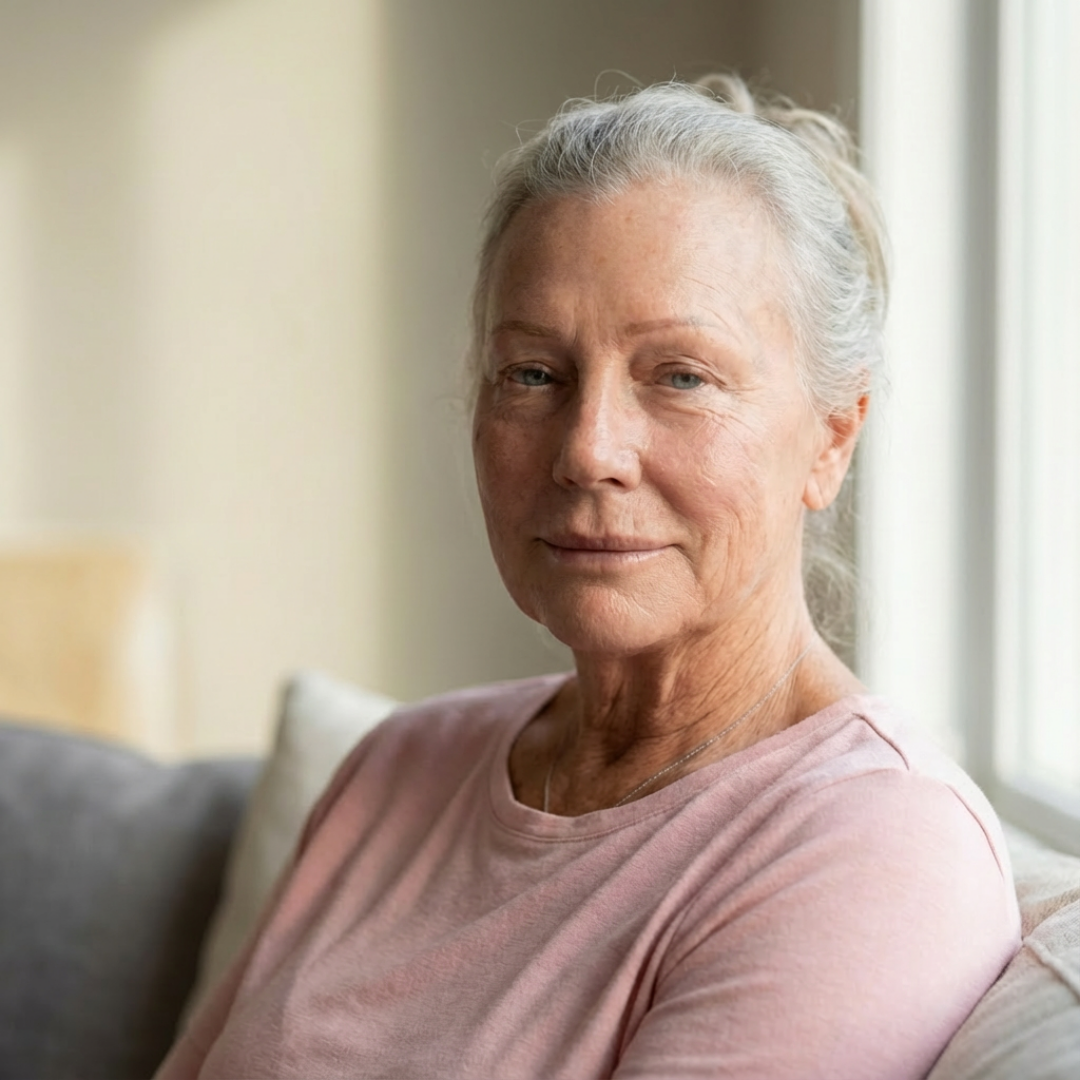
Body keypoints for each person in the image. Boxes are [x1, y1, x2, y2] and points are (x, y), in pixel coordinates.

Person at [156, 75, 1019, 1079]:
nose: (588, 450)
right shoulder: (399, 764)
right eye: (533, 374)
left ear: (832, 438)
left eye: (682, 376)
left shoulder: (873, 847)